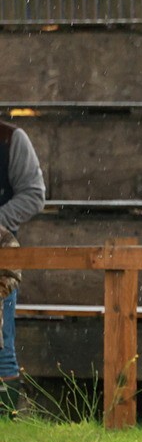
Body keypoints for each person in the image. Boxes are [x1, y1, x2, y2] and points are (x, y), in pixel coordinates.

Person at [0, 120, 46, 411]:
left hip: (0, 255)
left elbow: (33, 195)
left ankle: (5, 417)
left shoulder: (10, 139)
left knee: (1, 345)